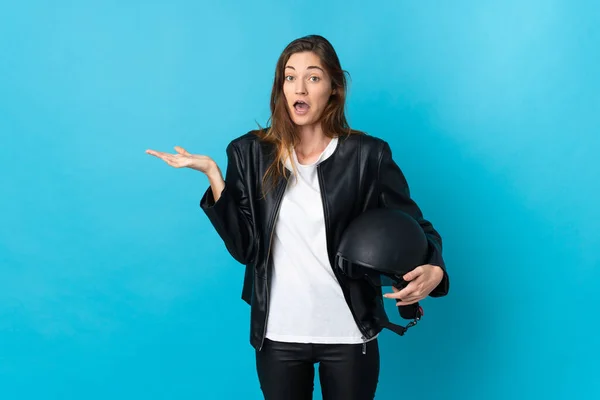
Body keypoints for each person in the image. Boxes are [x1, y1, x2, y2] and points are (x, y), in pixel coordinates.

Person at [146, 34, 449, 400]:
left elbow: (415, 226)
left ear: (334, 89)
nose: (299, 87)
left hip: (350, 332)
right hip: (279, 335)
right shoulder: (249, 153)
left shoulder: (369, 156)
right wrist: (214, 176)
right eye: (290, 77)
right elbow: (245, 249)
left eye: (313, 77)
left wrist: (435, 267)